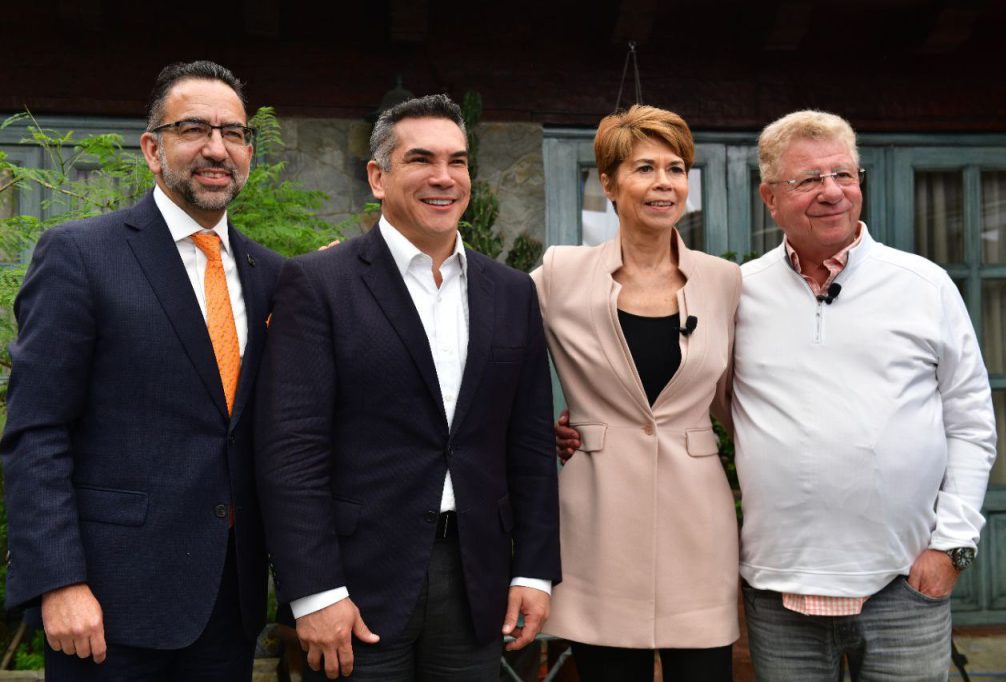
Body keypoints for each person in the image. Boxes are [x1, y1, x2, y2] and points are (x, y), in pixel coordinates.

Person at [254, 93, 561, 681]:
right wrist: (314, 591)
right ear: (378, 177)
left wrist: (534, 570)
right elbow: (291, 449)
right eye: (421, 159)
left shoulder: (511, 291)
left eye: (457, 161)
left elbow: (528, 443)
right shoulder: (318, 283)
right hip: (355, 583)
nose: (444, 177)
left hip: (477, 580)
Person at [1, 60, 284, 680]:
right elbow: (37, 430)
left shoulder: (273, 276)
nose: (217, 149)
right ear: (153, 150)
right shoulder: (80, 255)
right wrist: (59, 581)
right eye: (194, 129)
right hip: (106, 609)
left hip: (229, 606)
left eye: (234, 133)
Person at [733, 110, 997, 680]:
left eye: (844, 174)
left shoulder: (924, 285)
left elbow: (972, 424)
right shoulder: (738, 293)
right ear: (770, 197)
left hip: (905, 586)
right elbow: (695, 400)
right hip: (778, 590)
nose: (832, 191)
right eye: (809, 179)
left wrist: (953, 547)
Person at [538, 105, 741, 682]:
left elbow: (741, 399)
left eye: (676, 169)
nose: (664, 183)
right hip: (597, 520)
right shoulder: (561, 273)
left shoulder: (723, 281)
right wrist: (537, 431)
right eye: (645, 168)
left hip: (698, 522)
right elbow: (487, 339)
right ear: (609, 184)